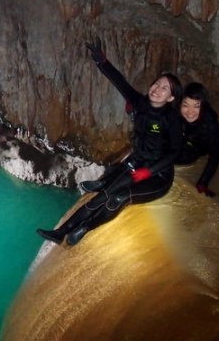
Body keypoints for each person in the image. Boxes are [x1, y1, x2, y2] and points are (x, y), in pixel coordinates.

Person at [36, 38, 183, 246]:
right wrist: (100, 60)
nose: (157, 89)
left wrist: (148, 172)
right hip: (138, 163)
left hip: (157, 176)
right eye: (157, 84)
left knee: (117, 198)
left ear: (170, 98)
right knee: (101, 196)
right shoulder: (140, 102)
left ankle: (85, 227)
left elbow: (174, 153)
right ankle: (61, 232)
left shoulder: (172, 120)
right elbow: (120, 82)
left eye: (164, 89)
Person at [176, 82, 219, 197]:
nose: (190, 112)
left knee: (185, 157)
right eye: (186, 105)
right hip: (183, 137)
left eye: (196, 106)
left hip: (196, 147)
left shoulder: (210, 124)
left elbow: (215, 154)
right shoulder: (175, 111)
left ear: (203, 107)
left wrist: (203, 182)